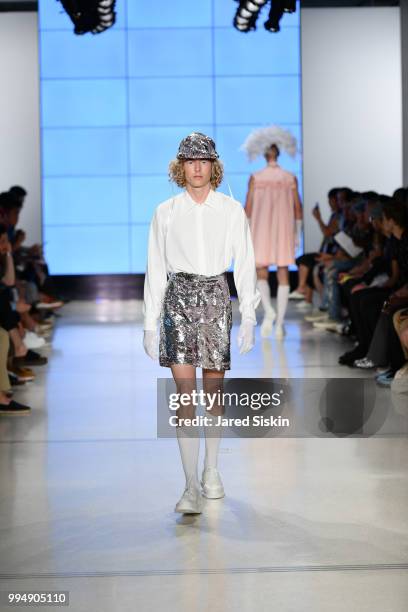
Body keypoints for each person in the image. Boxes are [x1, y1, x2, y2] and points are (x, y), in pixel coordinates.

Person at [142, 132, 260, 515]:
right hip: (177, 299)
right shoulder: (165, 211)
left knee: (213, 392)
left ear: (213, 166)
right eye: (190, 160)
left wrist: (249, 317)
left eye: (203, 161)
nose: (197, 167)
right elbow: (155, 268)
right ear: (180, 166)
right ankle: (189, 484)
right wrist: (149, 322)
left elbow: (244, 263)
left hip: (214, 299)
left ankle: (212, 469)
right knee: (185, 396)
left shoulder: (230, 210)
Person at [241, 125, 303, 338]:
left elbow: (247, 207)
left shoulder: (256, 178)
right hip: (283, 229)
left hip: (261, 228)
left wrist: (245, 231)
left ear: (264, 153)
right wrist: (297, 233)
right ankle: (279, 323)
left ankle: (269, 312)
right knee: (283, 272)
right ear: (279, 152)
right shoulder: (289, 177)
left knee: (261, 272)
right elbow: (298, 208)